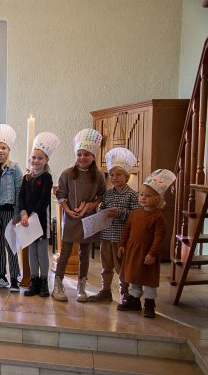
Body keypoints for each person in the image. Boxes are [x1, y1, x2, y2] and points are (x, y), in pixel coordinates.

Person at [52, 129, 106, 302]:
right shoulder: (67, 174)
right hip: (70, 217)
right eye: (79, 154)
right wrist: (68, 210)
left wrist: (91, 205)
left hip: (87, 219)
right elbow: (61, 195)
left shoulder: (98, 176)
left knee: (84, 252)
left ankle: (81, 285)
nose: (82, 157)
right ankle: (58, 284)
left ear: (93, 157)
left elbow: (102, 195)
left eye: (86, 154)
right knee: (65, 252)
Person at [117, 169, 174, 318]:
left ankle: (149, 302)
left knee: (148, 277)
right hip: (133, 251)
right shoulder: (135, 213)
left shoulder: (158, 217)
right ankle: (134, 300)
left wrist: (152, 253)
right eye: (141, 194)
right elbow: (127, 230)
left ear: (158, 199)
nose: (143, 198)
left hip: (148, 253)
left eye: (148, 196)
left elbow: (159, 237)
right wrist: (122, 245)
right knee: (134, 275)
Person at [88, 147, 139, 303]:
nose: (114, 178)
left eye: (118, 174)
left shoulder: (132, 195)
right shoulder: (108, 194)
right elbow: (101, 209)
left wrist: (120, 213)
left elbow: (136, 217)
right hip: (106, 236)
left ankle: (124, 292)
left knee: (121, 267)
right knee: (106, 266)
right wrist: (101, 211)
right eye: (112, 175)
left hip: (121, 237)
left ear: (126, 175)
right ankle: (106, 291)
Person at [19, 132, 59, 297]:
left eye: (40, 158)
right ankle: (33, 281)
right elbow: (21, 198)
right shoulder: (26, 178)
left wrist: (33, 215)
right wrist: (23, 213)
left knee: (42, 253)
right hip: (27, 220)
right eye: (34, 157)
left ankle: (44, 283)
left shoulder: (47, 177)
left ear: (46, 160)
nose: (36, 161)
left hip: (41, 220)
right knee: (31, 253)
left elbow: (44, 200)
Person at [0, 124, 23, 292]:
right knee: (0, 244)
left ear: (8, 150)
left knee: (11, 244)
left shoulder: (14, 168)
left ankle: (14, 277)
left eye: (4, 148)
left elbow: (19, 191)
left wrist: (17, 213)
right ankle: (1, 276)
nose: (1, 151)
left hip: (9, 211)